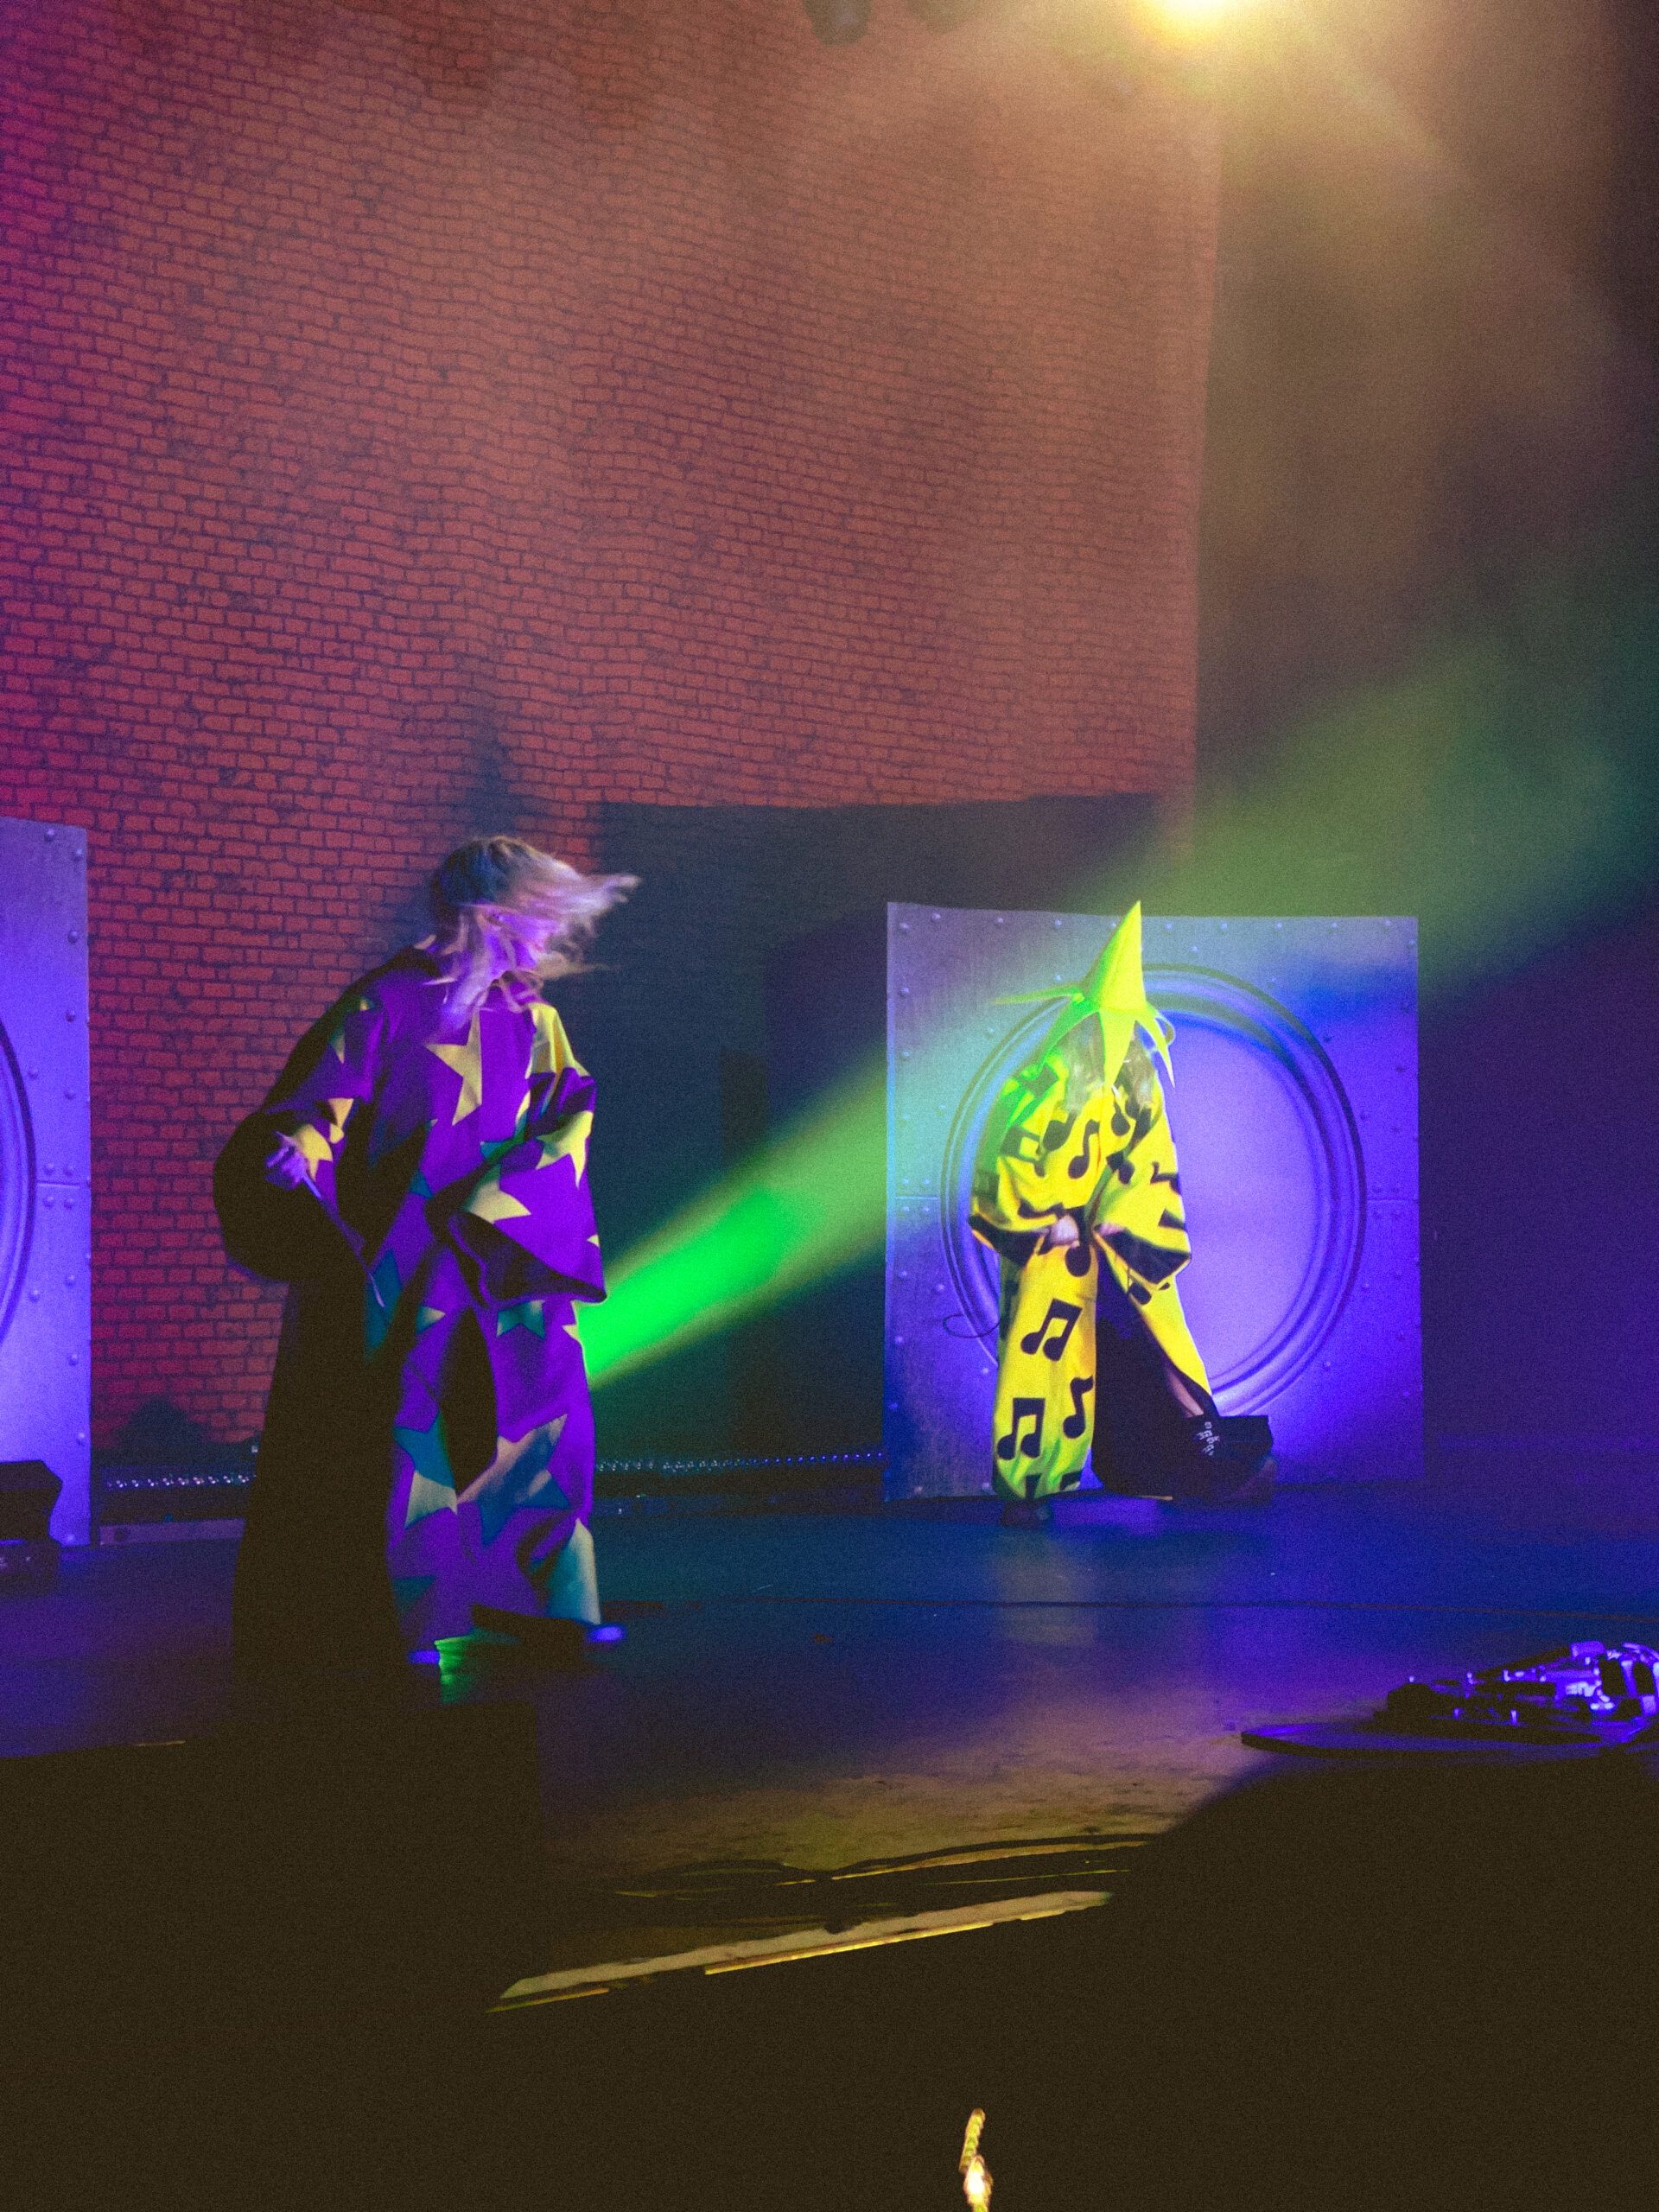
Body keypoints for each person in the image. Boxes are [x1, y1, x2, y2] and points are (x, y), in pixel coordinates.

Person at [214, 836, 635, 1681]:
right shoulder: (389, 1003)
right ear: (495, 913)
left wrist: (512, 1202)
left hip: (505, 1255)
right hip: (409, 1264)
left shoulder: (535, 1019)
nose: (552, 936)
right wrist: (299, 1146)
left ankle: (547, 1601)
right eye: (541, 916)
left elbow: (569, 1113)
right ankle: (399, 1610)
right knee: (408, 1429)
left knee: (543, 1412)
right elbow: (321, 1099)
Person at [969, 902, 1273, 1516]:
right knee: (1048, 1368)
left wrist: (1124, 1219)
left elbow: (1153, 1161)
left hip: (1117, 1251)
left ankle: (1196, 1467)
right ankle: (1030, 1488)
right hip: (1056, 1258)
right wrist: (1047, 1220)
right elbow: (1009, 1157)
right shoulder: (1040, 1084)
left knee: (1161, 1353)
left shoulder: (1138, 1089)